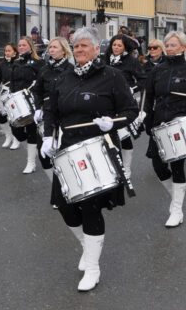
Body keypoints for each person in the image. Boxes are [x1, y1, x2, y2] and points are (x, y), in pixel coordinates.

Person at [41, 27, 138, 291]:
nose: (79, 50)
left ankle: (93, 267)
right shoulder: (63, 78)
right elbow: (51, 111)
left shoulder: (112, 76)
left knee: (91, 207)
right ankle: (87, 245)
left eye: (84, 45)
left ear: (97, 49)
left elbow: (131, 110)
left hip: (99, 148)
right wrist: (48, 137)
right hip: (68, 150)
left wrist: (113, 122)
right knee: (66, 207)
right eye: (75, 46)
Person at [143, 31, 186, 228]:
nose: (169, 48)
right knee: (158, 165)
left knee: (177, 166)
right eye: (167, 45)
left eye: (173, 45)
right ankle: (176, 198)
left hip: (181, 119)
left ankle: (177, 210)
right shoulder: (158, 70)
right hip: (159, 120)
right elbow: (149, 96)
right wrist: (144, 116)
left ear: (183, 47)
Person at [102, 34, 145, 180]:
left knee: (124, 137)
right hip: (106, 103)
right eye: (114, 45)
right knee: (107, 136)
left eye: (119, 45)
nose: (116, 48)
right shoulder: (104, 59)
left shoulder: (131, 61)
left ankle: (126, 168)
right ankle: (111, 166)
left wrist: (131, 89)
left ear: (125, 47)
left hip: (123, 103)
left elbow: (143, 80)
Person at [31, 37, 73, 186]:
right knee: (43, 155)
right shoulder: (44, 70)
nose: (51, 50)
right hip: (46, 115)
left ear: (64, 50)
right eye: (50, 47)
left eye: (55, 47)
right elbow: (37, 91)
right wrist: (37, 107)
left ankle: (63, 188)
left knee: (61, 154)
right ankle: (55, 184)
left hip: (64, 116)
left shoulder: (71, 69)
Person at [9, 36, 43, 174]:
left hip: (31, 101)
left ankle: (31, 162)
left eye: (24, 45)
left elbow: (42, 82)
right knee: (16, 130)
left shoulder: (38, 63)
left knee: (31, 132)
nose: (21, 47)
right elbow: (12, 82)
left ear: (30, 46)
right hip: (17, 102)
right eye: (19, 45)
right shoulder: (16, 63)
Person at [0, 43, 19, 149]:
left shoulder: (17, 64)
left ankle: (16, 138)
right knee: (1, 115)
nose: (6, 53)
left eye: (9, 51)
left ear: (14, 52)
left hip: (14, 92)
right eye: (5, 51)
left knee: (13, 116)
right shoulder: (2, 64)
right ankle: (8, 136)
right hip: (4, 92)